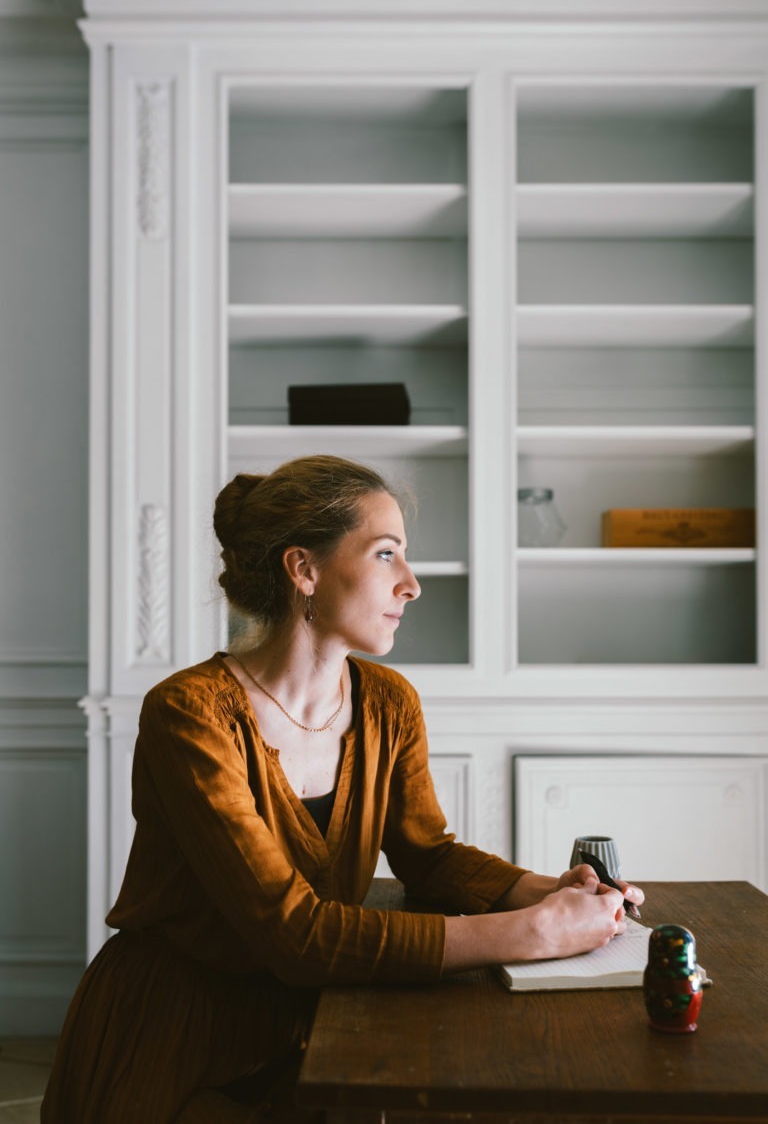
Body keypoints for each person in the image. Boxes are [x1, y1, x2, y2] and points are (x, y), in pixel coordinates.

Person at [42, 454, 644, 1123]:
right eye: (387, 554)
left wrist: (556, 890)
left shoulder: (389, 702)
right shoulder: (189, 714)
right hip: (179, 1037)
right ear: (304, 568)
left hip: (321, 1017)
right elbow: (294, 933)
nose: (412, 584)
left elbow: (428, 854)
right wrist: (529, 932)